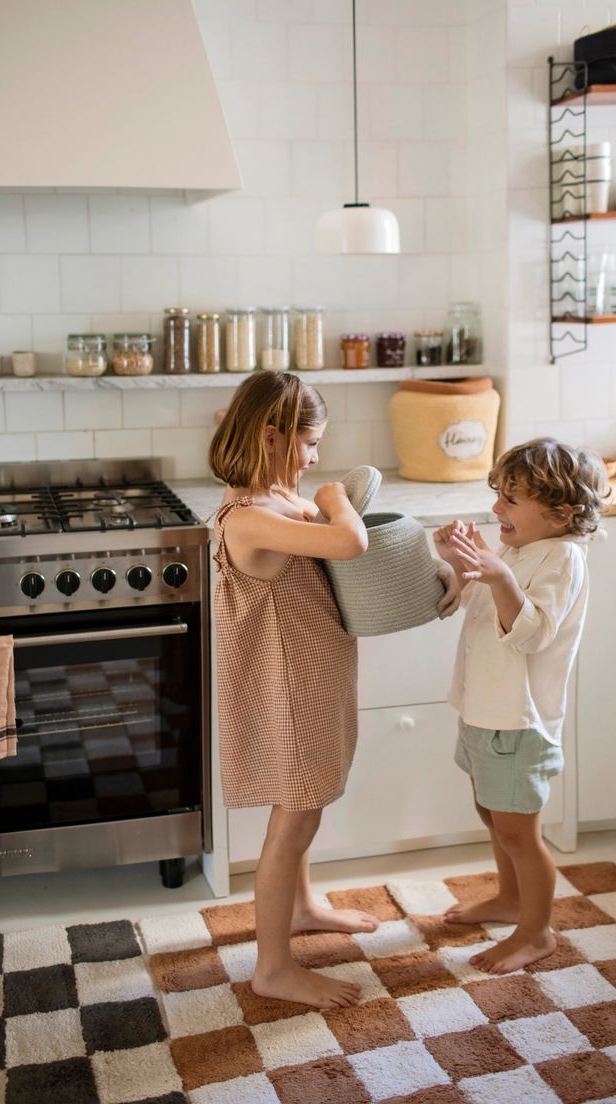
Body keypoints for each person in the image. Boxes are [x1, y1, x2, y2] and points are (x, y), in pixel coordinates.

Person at [208, 370, 374, 1011]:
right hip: (287, 690)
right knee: (296, 815)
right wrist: (336, 497)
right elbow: (349, 541)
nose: (314, 458)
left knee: (306, 807)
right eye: (309, 444)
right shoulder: (248, 518)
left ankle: (301, 907)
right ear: (272, 436)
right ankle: (273, 968)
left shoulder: (274, 504)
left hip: (311, 678)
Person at [434, 438, 609, 974]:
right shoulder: (518, 549)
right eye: (499, 496)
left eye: (510, 500)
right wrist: (459, 565)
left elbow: (531, 634)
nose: (495, 509)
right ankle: (510, 900)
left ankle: (536, 932)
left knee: (518, 831)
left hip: (518, 720)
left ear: (560, 511)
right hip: (485, 709)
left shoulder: (561, 557)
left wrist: (501, 575)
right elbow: (466, 605)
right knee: (492, 815)